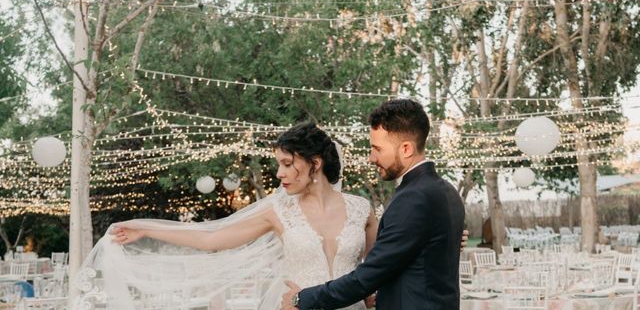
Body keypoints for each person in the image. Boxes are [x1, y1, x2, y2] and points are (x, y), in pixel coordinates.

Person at [76, 118, 467, 309]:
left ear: (313, 163)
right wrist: (146, 228)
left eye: (285, 163)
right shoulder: (278, 211)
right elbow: (212, 237)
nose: (278, 174)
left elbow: (386, 263)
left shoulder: (361, 208)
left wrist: (450, 237)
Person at [281, 98, 466, 310]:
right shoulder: (448, 191)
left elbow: (366, 277)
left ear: (406, 149)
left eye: (377, 149)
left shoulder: (413, 198)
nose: (371, 158)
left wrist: (302, 299)